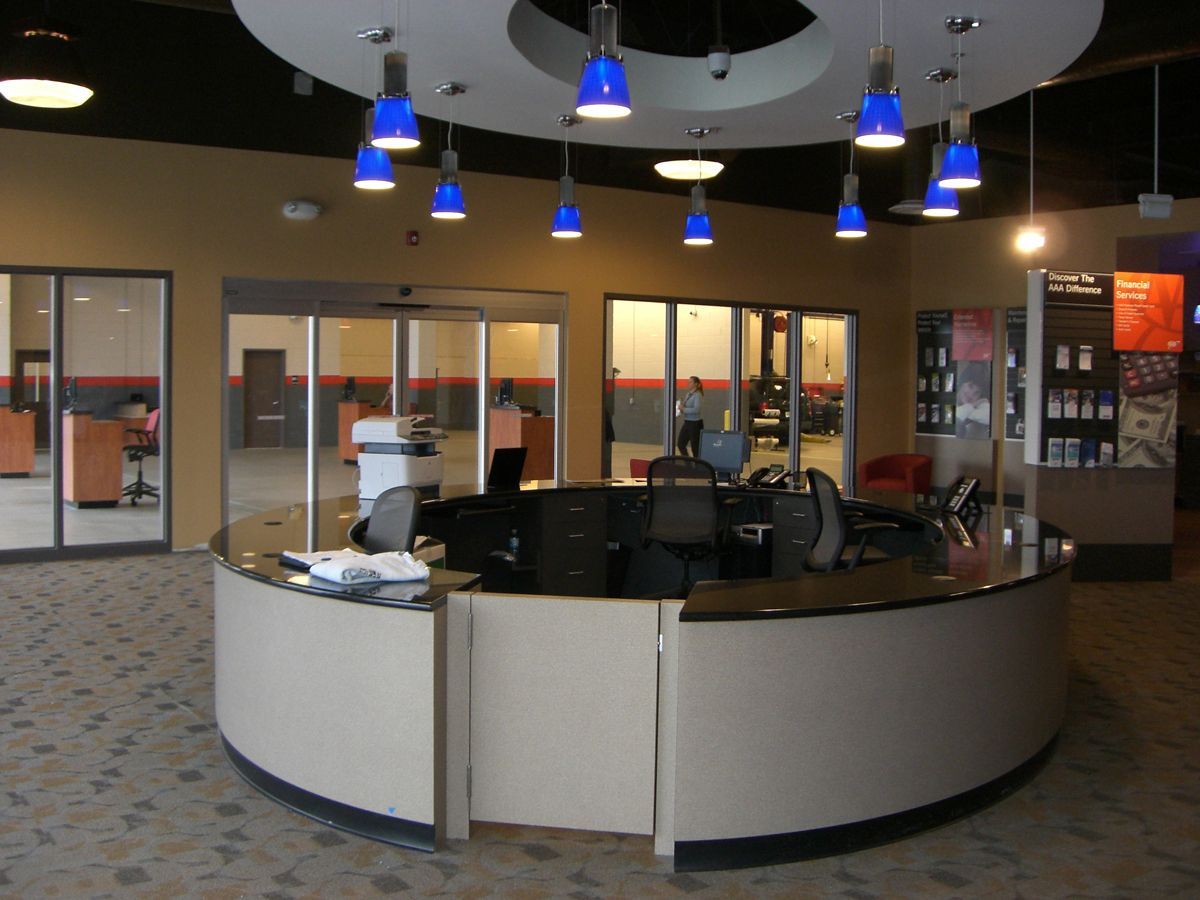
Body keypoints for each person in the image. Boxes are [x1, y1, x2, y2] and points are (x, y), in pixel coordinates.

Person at [955, 363, 990, 439]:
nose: (971, 394)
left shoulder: (974, 407)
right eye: (970, 386)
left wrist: (970, 407)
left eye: (977, 392)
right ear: (962, 382)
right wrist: (972, 405)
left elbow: (988, 416)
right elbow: (956, 415)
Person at [676, 376, 704, 456]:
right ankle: (688, 463)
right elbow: (684, 406)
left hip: (695, 423)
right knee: (681, 444)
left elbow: (696, 409)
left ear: (696, 384)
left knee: (695, 447)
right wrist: (680, 406)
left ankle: (697, 465)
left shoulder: (698, 395)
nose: (688, 383)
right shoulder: (688, 394)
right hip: (687, 422)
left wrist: (684, 409)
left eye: (690, 382)